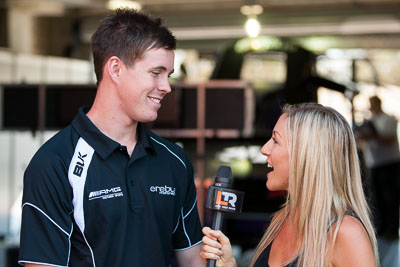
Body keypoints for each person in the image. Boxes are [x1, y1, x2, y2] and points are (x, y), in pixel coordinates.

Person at [18, 9, 204, 267]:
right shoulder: (54, 164)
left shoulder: (175, 162)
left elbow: (193, 260)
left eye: (168, 75)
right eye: (156, 72)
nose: (166, 87)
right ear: (116, 69)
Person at [201, 103, 379, 267]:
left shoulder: (346, 232)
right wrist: (230, 264)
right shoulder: (280, 219)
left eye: (276, 140)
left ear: (306, 155)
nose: (264, 149)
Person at [356, 96, 400, 266]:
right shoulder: (369, 121)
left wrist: (372, 136)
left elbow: (389, 139)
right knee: (377, 198)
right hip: (374, 164)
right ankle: (381, 229)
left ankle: (392, 230)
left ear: (378, 103)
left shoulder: (388, 119)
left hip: (389, 163)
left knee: (391, 197)